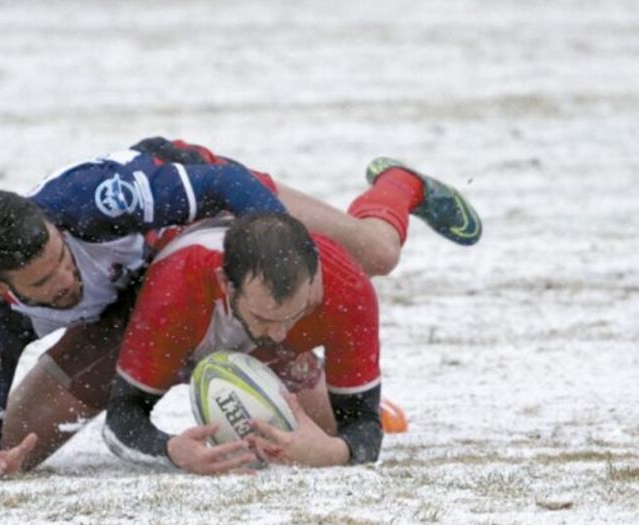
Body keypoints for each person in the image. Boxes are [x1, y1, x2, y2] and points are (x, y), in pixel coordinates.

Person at [0, 139, 480, 480]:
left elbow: (222, 184)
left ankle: (400, 183)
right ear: (4, 287)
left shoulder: (99, 201)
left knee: (370, 257)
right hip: (146, 312)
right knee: (17, 445)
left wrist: (267, 252)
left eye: (64, 258)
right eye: (44, 283)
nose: (65, 279)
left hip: (221, 228)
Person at [103, 158, 477, 473]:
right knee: (55, 409)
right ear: (226, 285)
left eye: (294, 315)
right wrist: (172, 452)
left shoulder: (345, 290)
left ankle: (399, 181)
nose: (281, 334)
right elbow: (122, 419)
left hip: (257, 249)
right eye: (265, 318)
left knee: (378, 252)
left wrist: (335, 452)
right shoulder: (177, 290)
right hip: (195, 187)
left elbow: (362, 431)